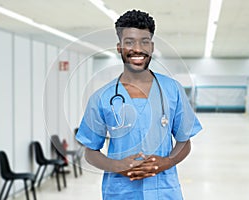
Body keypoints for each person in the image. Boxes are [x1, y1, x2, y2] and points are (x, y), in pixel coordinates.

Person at [75, 9, 202, 200]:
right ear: (119, 47)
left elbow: (185, 141)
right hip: (120, 192)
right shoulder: (101, 98)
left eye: (144, 41)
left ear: (151, 46)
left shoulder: (172, 89)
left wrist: (166, 162)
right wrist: (117, 166)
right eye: (129, 42)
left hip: (164, 191)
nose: (137, 48)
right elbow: (90, 151)